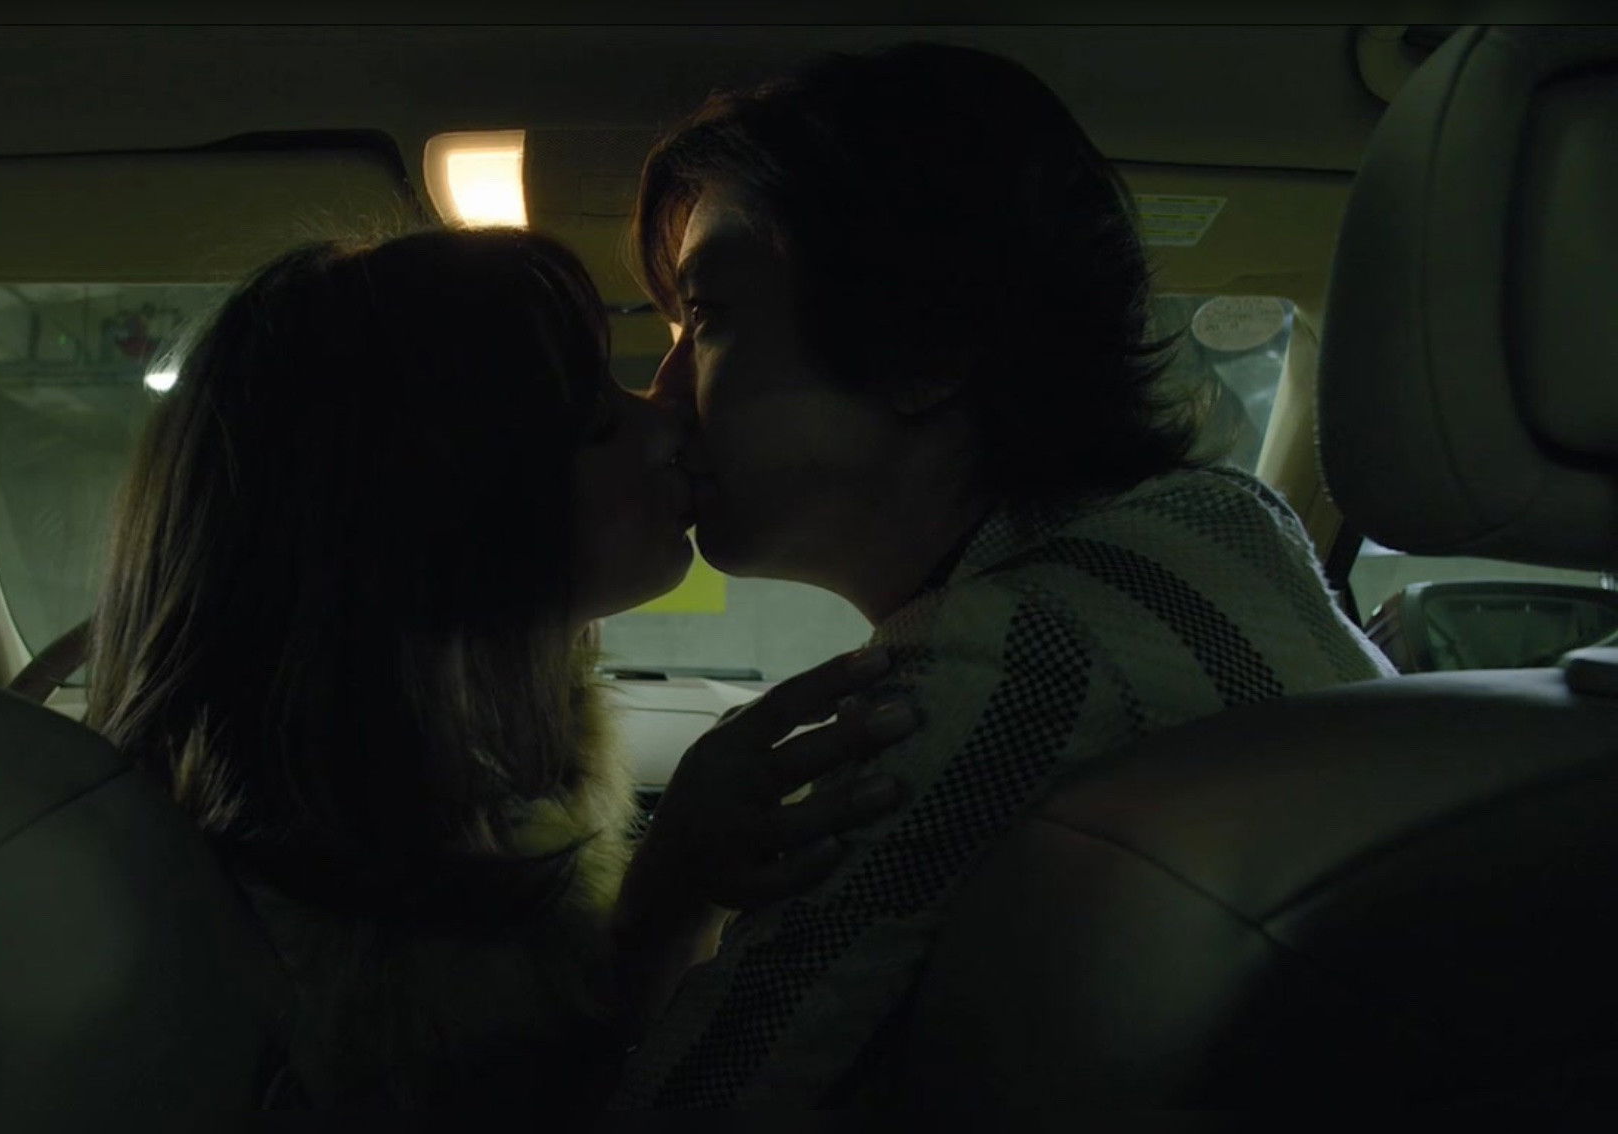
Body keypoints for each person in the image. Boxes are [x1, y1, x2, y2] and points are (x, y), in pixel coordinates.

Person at [611, 42, 1397, 1107]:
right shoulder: (1225, 525)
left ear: (926, 347)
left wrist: (661, 902)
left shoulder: (1007, 668)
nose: (663, 396)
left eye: (707, 318)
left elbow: (696, 1104)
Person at [82, 227, 914, 1108]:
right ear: (442, 518)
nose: (667, 414)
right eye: (596, 421)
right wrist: (663, 909)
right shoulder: (264, 984)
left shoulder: (388, 830)